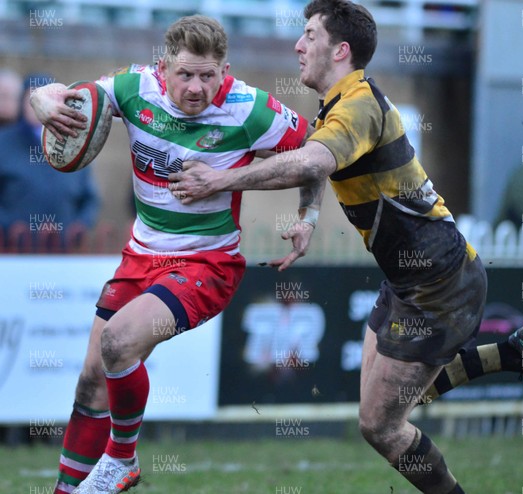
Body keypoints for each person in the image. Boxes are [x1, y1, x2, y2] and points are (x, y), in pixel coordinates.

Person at [169, 2, 523, 492]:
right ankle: (514, 353)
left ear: (340, 50)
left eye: (309, 36)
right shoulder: (341, 104)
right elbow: (320, 160)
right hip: (412, 277)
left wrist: (219, 180)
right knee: (381, 408)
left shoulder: (358, 106)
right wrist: (309, 217)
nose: (298, 45)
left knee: (380, 425)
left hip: (439, 283)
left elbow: (310, 162)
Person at [30, 15, 315, 494]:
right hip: (140, 256)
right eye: (186, 74)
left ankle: (123, 460)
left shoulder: (249, 109)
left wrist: (308, 216)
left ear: (225, 70)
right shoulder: (134, 88)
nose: (198, 87)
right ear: (164, 68)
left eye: (209, 75)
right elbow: (69, 96)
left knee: (118, 343)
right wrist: (40, 99)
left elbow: (315, 154)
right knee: (90, 382)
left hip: (208, 265)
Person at [0, 73, 100, 251]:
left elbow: (89, 197)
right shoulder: (4, 144)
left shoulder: (74, 143)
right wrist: (7, 227)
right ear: (22, 104)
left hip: (61, 252)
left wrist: (79, 228)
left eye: (50, 100)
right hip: (12, 252)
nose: (41, 107)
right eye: (34, 101)